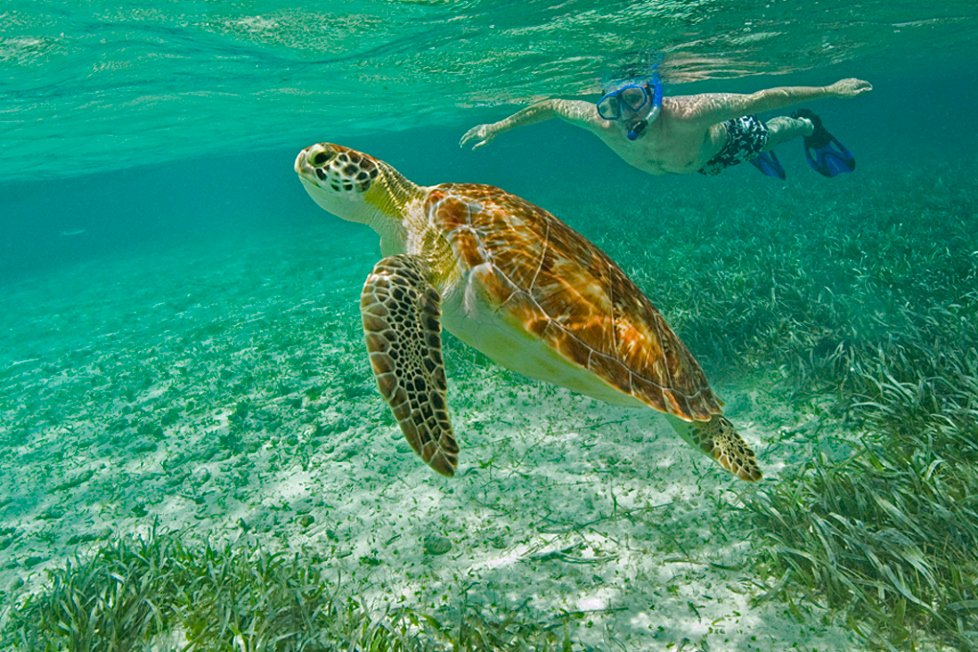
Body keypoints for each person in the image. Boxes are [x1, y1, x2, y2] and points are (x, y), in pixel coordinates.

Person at [460, 76, 873, 179]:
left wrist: (831, 91)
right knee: (719, 162)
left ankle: (807, 125)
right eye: (612, 105)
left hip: (728, 141)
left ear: (653, 95)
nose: (626, 115)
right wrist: (498, 126)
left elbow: (760, 99)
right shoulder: (602, 124)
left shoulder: (691, 112)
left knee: (769, 134)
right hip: (698, 163)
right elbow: (550, 105)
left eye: (634, 100)